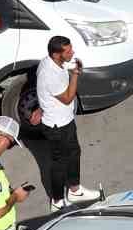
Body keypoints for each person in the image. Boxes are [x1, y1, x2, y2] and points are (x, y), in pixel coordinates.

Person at [33, 35, 103, 212]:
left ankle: (75, 190)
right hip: (56, 126)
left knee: (74, 152)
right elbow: (67, 98)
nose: (72, 52)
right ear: (57, 54)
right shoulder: (49, 73)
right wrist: (75, 75)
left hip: (66, 120)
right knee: (59, 164)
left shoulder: (52, 62)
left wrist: (41, 107)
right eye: (68, 51)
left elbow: (44, 92)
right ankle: (57, 201)